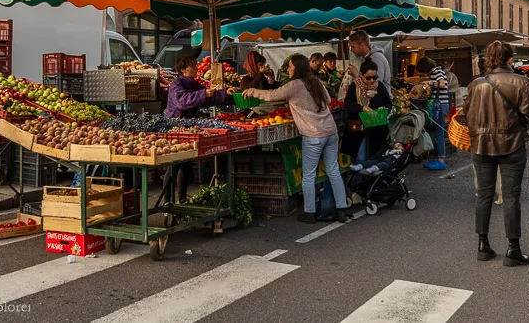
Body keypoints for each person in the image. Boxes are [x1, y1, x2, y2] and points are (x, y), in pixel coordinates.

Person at [463, 41, 529, 267]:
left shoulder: (476, 84)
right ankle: (513, 248)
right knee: (511, 197)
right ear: (510, 59)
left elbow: (466, 114)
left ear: (489, 60)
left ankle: (483, 244)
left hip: (481, 145)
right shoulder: (521, 83)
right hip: (512, 143)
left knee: (484, 194)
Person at [243, 55, 348, 224]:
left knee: (308, 175)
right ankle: (342, 210)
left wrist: (252, 91)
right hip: (330, 131)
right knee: (333, 170)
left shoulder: (294, 85)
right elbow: (328, 100)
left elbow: (272, 95)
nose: (289, 69)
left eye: (290, 66)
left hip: (313, 134)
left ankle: (309, 212)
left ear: (297, 68)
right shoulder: (316, 81)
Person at [165, 56, 237, 202]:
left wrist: (224, 93)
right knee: (173, 163)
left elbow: (209, 96)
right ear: (183, 70)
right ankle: (167, 200)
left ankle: (182, 198)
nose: (196, 68)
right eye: (192, 65)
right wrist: (203, 94)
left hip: (189, 127)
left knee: (185, 162)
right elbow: (182, 101)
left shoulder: (193, 83)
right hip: (175, 127)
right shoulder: (176, 84)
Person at [343, 60, 392, 161]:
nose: (372, 80)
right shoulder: (354, 87)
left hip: (377, 129)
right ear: (361, 75)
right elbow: (348, 104)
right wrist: (362, 108)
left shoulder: (380, 86)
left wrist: (384, 108)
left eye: (375, 77)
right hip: (360, 130)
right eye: (368, 77)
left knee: (376, 158)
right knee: (361, 158)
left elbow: (388, 103)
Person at [416, 56, 449, 170]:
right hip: (441, 104)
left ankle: (441, 159)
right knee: (437, 131)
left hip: (440, 105)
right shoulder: (436, 71)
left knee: (439, 132)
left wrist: (430, 82)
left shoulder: (437, 71)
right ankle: (440, 157)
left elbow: (442, 84)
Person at [348, 30, 392, 96]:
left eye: (353, 47)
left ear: (362, 45)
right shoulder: (366, 58)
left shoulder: (376, 59)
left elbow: (373, 85)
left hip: (380, 103)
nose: (351, 50)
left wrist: (356, 74)